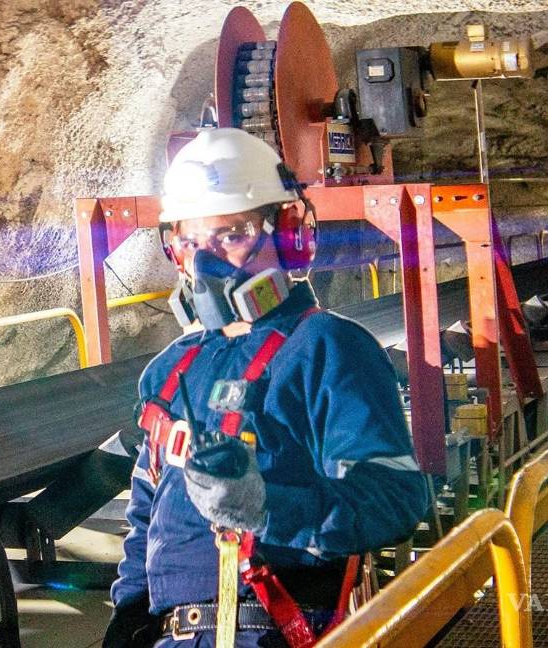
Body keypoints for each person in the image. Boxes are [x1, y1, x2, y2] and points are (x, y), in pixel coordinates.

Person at [103, 127, 430, 648]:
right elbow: (147, 510)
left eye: (231, 235)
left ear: (289, 234)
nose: (205, 262)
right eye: (190, 242)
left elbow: (396, 499)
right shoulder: (172, 368)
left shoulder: (328, 348)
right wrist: (128, 615)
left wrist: (266, 507)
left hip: (275, 629)